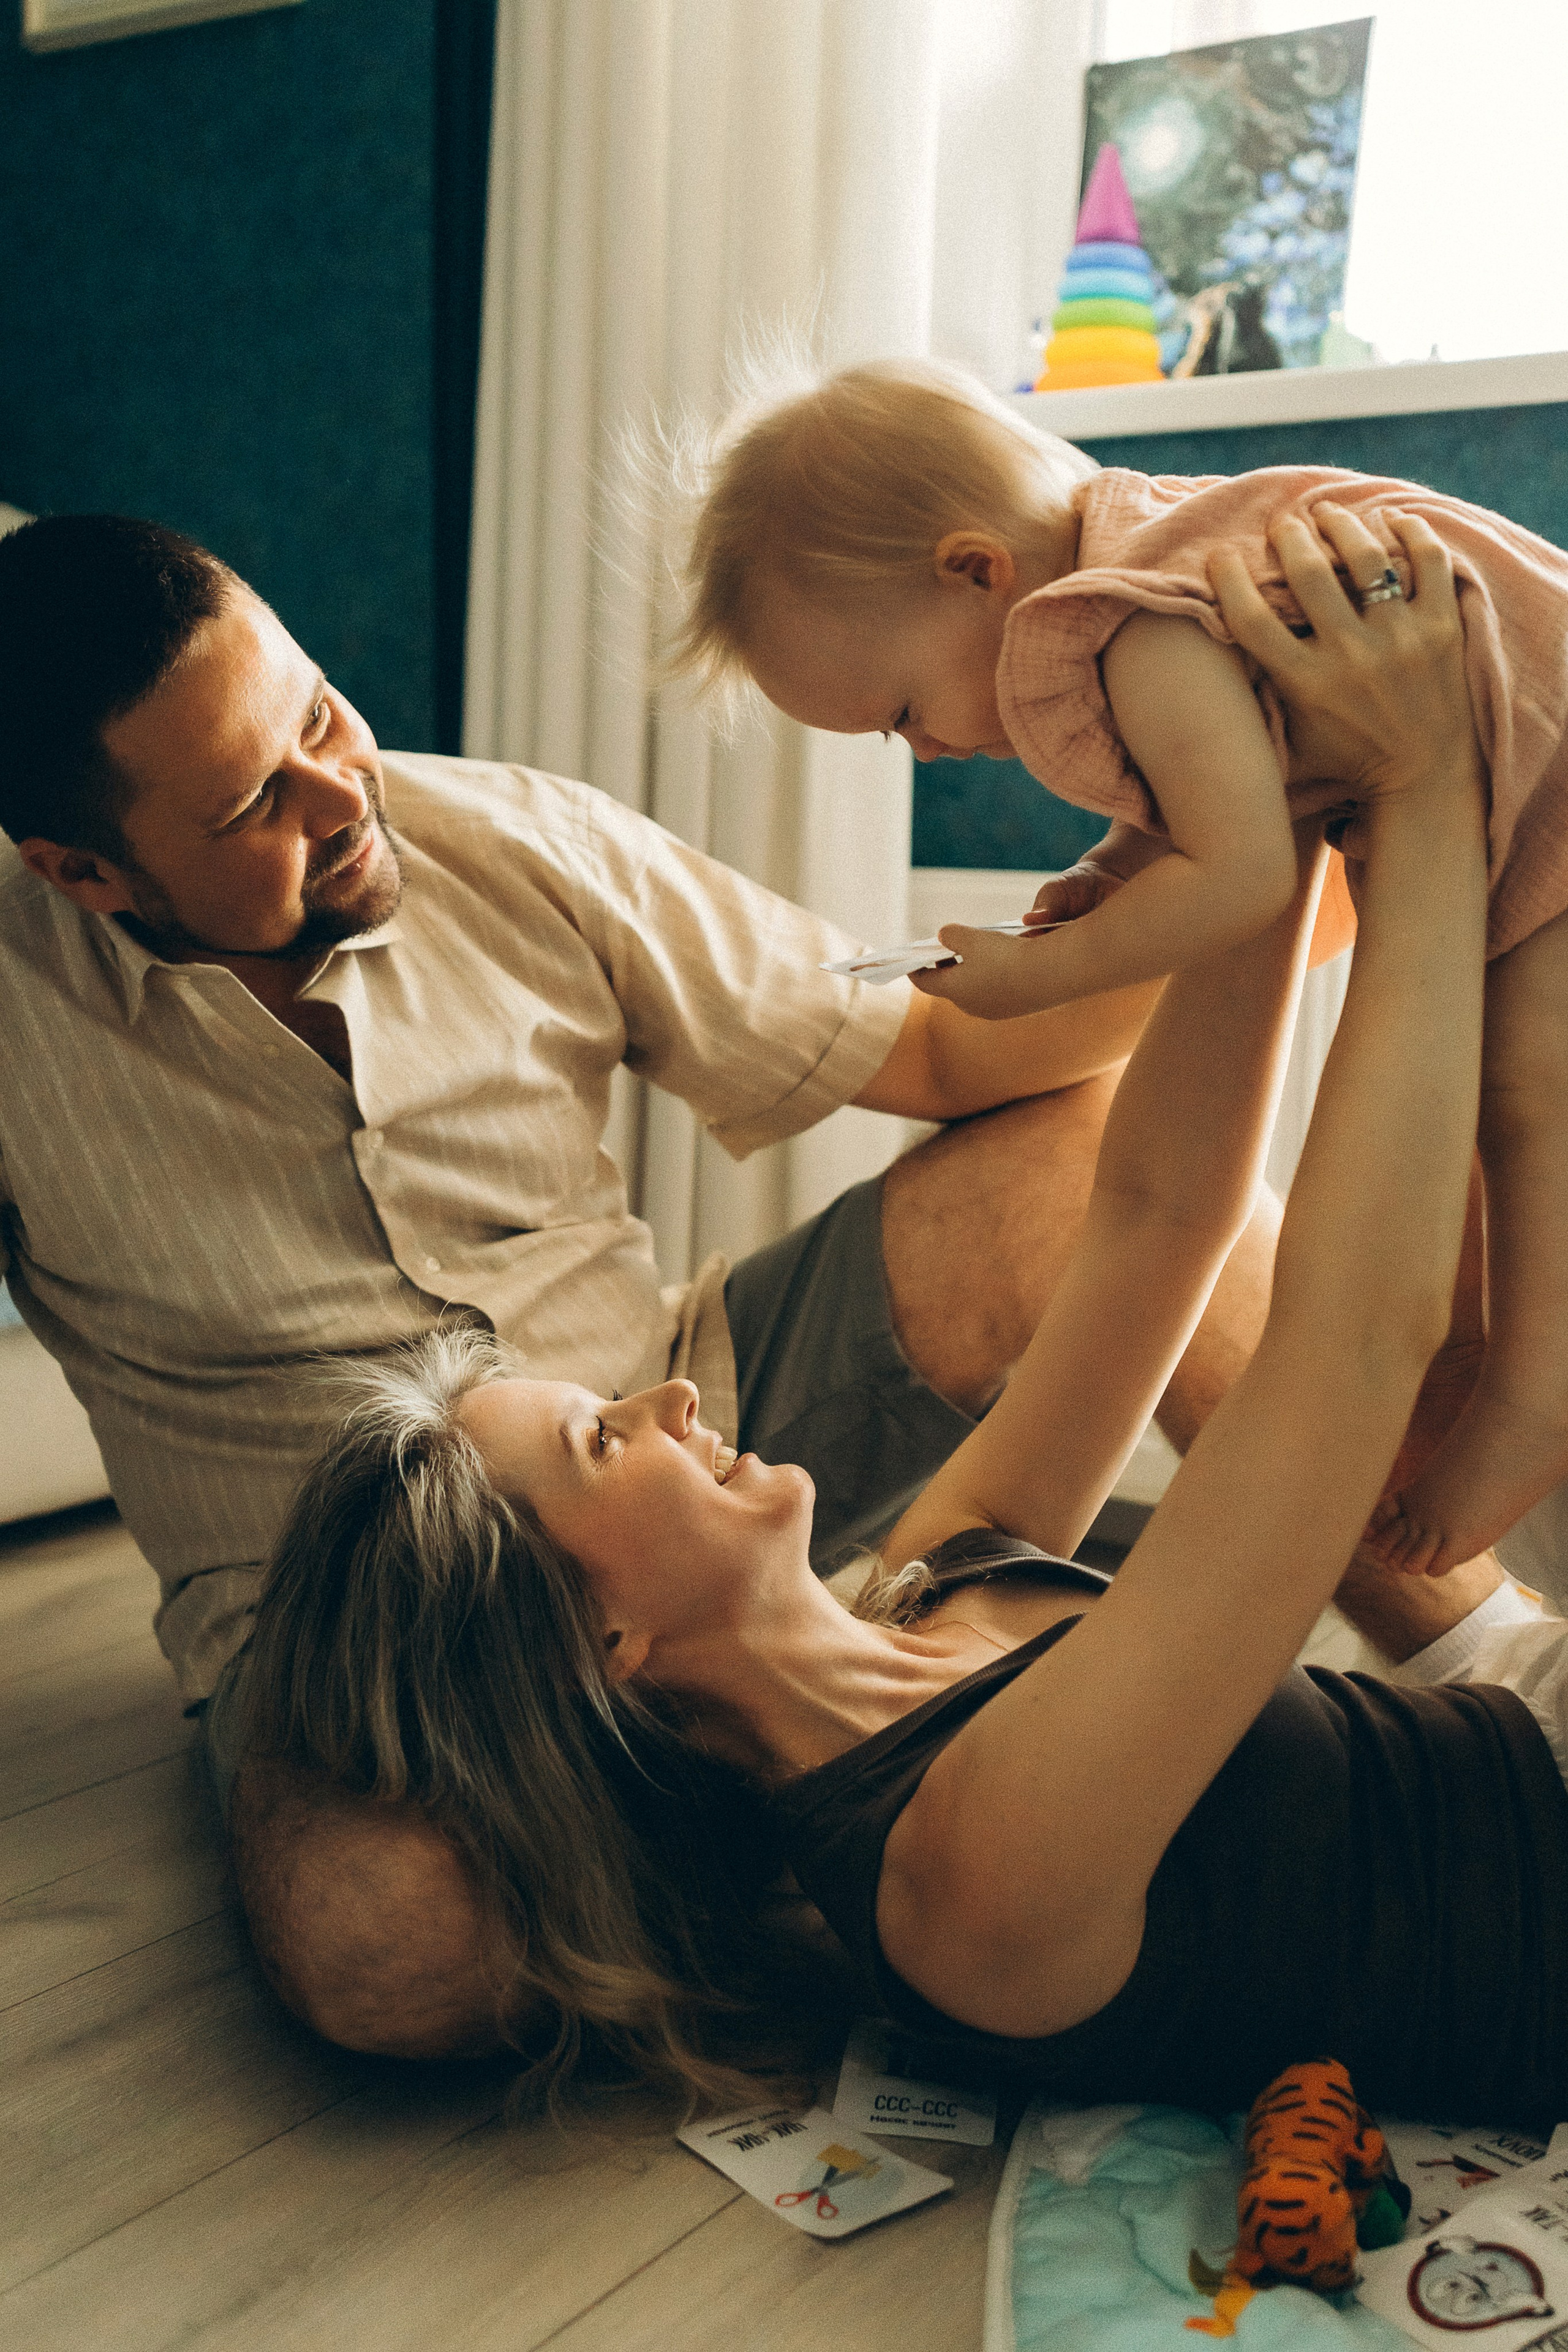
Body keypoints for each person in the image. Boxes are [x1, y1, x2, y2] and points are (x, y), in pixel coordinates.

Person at [238, 505, 1563, 2120]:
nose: (669, 1398)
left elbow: (1155, 1219)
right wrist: (1424, 798)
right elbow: (1356, 1338)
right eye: (601, 1435)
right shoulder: (966, 1876)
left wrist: (1257, 833)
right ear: (608, 1641)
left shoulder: (917, 1595)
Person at [0, 508, 1300, 2044]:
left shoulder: (513, 835)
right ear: (82, 868)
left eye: (321, 714)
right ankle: (854, 1756)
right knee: (393, 1951)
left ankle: (1473, 1642)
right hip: (345, 1608)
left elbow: (948, 1045)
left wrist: (1245, 871)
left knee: (1068, 1160)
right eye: (251, 807)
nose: (338, 789)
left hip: (677, 1427)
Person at [672, 355, 1568, 1590]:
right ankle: (1497, 1385)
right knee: (1491, 1104)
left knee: (1527, 1106)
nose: (925, 751)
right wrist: (1110, 869)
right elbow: (1218, 783)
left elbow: (1245, 871)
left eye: (898, 712)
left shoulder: (1117, 622)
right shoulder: (1151, 567)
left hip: (1547, 778)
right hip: (1515, 778)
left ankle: (1536, 1386)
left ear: (975, 571)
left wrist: (1045, 976)